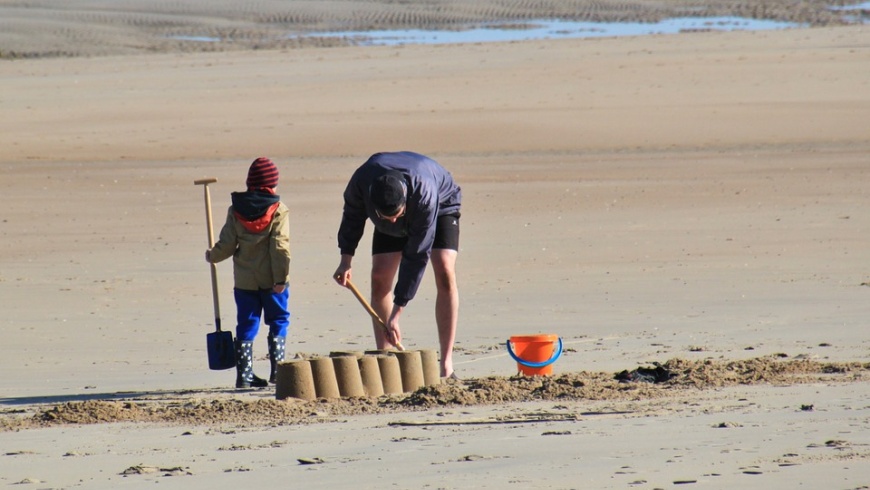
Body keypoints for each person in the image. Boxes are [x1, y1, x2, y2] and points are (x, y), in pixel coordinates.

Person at [334, 151, 462, 378]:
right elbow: (352, 215)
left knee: (444, 270)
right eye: (386, 217)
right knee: (379, 277)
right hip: (391, 202)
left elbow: (417, 255)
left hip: (441, 205)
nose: (393, 220)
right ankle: (387, 362)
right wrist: (346, 260)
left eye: (396, 215)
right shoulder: (362, 182)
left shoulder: (424, 195)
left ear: (404, 203)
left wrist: (397, 312)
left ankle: (447, 364)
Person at [205, 157, 291, 389]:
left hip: (244, 281)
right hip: (273, 280)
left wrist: (213, 255)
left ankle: (244, 375)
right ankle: (278, 371)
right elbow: (280, 247)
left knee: (247, 323)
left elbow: (227, 244)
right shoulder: (278, 210)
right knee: (279, 320)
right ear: (271, 184)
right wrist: (281, 278)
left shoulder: (236, 210)